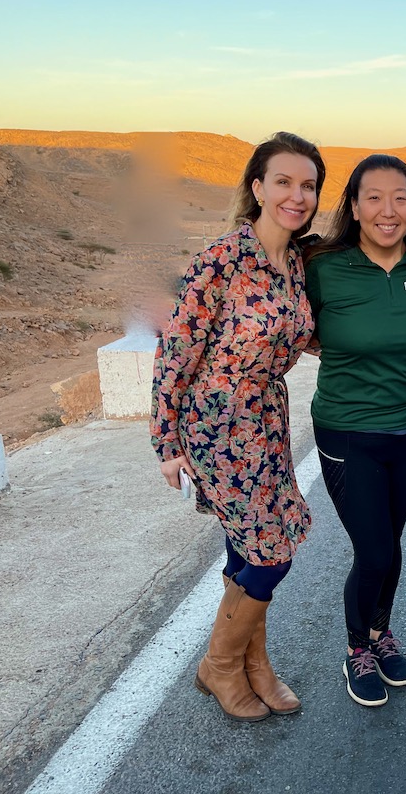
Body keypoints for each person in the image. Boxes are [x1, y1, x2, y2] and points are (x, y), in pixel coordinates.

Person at [151, 132, 326, 721]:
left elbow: (303, 336)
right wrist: (166, 443)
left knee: (244, 548)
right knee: (272, 556)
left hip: (267, 422)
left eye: (308, 186)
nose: (297, 196)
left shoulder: (296, 263)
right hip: (216, 425)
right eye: (284, 182)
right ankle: (219, 665)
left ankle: (256, 664)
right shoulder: (223, 258)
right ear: (258, 187)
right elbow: (176, 351)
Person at [305, 154, 406, 707]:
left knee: (390, 543)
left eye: (400, 198)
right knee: (375, 549)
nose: (388, 210)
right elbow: (297, 328)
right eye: (374, 197)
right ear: (355, 206)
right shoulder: (324, 265)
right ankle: (356, 649)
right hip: (347, 431)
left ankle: (380, 633)